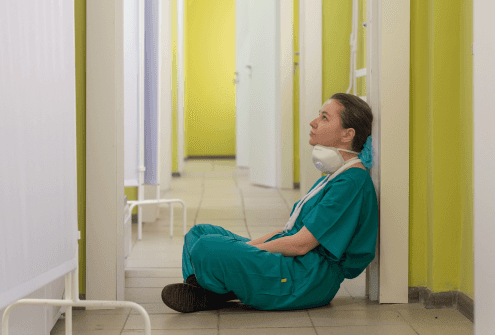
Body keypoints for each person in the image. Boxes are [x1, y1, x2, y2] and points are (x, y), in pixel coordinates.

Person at [161, 93, 378, 312]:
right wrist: (244, 250)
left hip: (305, 279)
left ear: (347, 134)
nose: (313, 122)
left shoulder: (351, 183)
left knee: (206, 248)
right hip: (294, 266)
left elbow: (300, 244)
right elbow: (288, 232)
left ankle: (210, 291)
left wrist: (250, 253)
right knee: (199, 233)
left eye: (324, 117)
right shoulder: (336, 176)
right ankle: (212, 291)